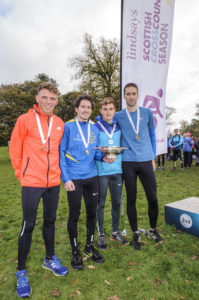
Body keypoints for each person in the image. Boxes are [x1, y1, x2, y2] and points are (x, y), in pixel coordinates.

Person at [9, 82, 68, 298]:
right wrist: (20, 174)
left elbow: (62, 152)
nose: (49, 102)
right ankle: (21, 271)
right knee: (29, 224)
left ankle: (50, 258)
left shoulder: (60, 123)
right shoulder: (25, 120)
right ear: (38, 98)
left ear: (57, 101)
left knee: (50, 221)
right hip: (31, 182)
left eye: (53, 99)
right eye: (45, 97)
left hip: (52, 182)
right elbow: (15, 148)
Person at [60, 94, 112, 270]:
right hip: (74, 179)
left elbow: (95, 153)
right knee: (74, 215)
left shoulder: (94, 129)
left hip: (92, 177)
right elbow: (61, 154)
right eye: (83, 107)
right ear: (76, 108)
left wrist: (104, 158)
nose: (85, 110)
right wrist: (65, 179)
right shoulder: (67, 127)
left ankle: (89, 246)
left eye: (89, 107)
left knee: (92, 213)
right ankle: (75, 251)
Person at [115, 82, 163, 250]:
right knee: (131, 199)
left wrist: (153, 157)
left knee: (153, 197)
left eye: (133, 93)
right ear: (124, 96)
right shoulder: (119, 115)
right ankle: (135, 233)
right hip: (127, 162)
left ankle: (152, 229)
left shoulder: (147, 113)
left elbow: (151, 134)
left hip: (145, 161)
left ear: (138, 95)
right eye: (128, 94)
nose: (131, 96)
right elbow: (103, 120)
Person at [95, 97, 128, 249]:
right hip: (101, 171)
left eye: (111, 109)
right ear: (100, 110)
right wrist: (102, 158)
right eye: (105, 109)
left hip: (117, 170)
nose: (108, 112)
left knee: (116, 202)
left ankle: (115, 232)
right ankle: (101, 234)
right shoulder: (95, 127)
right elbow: (93, 148)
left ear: (115, 110)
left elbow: (124, 145)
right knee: (100, 204)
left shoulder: (120, 125)